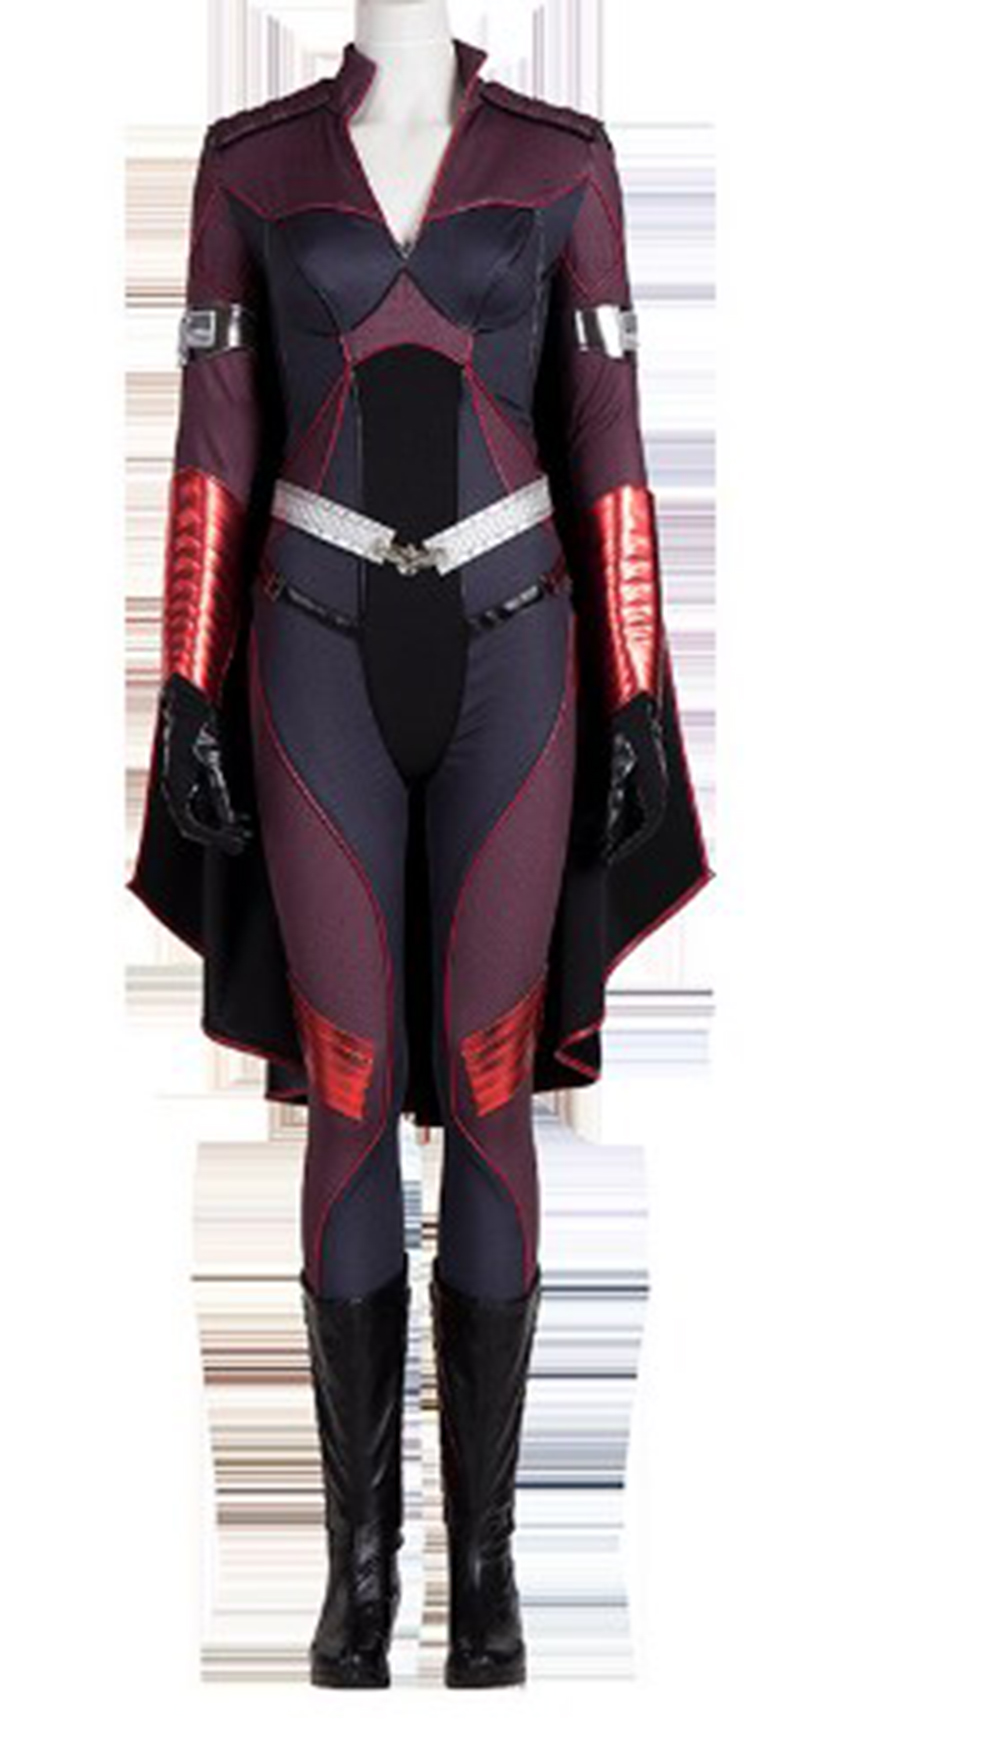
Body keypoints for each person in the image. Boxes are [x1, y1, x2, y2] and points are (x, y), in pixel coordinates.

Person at [127, 26, 713, 1689]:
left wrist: (639, 692)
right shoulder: (249, 160)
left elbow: (609, 437)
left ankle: (491, 1580)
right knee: (349, 1085)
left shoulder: (563, 157)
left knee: (491, 1085)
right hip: (307, 658)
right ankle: (355, 1585)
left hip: (517, 653)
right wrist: (182, 690)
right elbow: (211, 444)